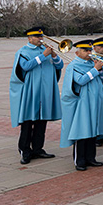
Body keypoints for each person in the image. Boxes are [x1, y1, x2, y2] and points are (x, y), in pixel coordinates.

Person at [10, 27, 63, 165]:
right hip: (31, 91)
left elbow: (59, 66)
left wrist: (54, 56)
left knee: (41, 122)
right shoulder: (23, 52)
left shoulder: (46, 51)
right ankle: (25, 151)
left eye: (41, 37)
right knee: (28, 122)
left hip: (45, 92)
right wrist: (43, 56)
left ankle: (38, 149)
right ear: (29, 38)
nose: (40, 39)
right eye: (37, 37)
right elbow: (26, 66)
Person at [60, 40, 103, 171]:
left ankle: (91, 158)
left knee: (93, 130)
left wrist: (101, 69)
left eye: (89, 50)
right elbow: (80, 81)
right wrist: (95, 69)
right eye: (85, 50)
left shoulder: (92, 63)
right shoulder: (74, 66)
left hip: (94, 101)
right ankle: (79, 161)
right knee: (82, 131)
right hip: (82, 103)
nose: (89, 53)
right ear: (77, 52)